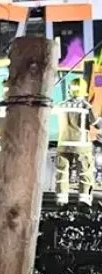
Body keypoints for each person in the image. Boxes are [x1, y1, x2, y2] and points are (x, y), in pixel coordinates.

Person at [54, 77, 102, 207]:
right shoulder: (86, 106)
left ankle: (61, 201)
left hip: (63, 145)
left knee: (62, 173)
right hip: (81, 146)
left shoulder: (62, 105)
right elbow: (97, 125)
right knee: (85, 172)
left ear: (70, 89)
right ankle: (84, 201)